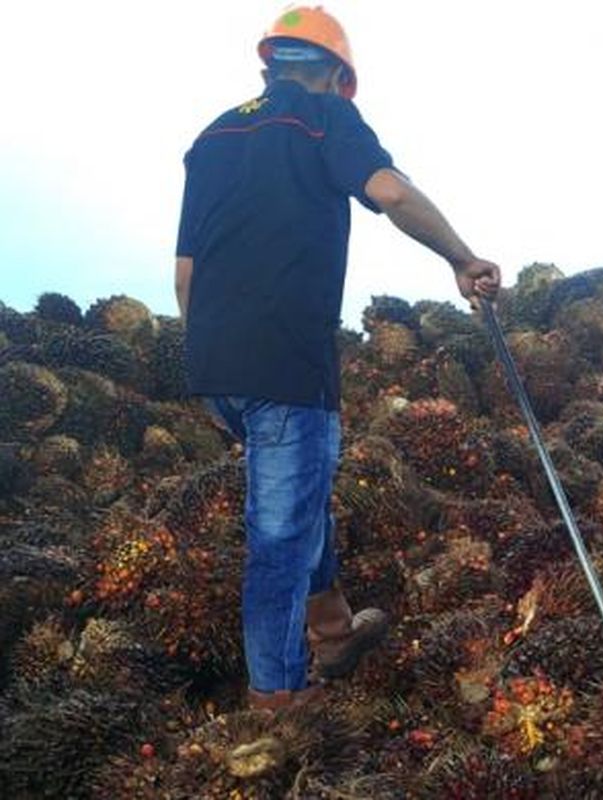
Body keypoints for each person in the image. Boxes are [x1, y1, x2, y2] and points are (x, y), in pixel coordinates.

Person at [173, 6, 501, 709]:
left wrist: (207, 368)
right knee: (279, 538)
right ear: (333, 73)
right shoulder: (324, 117)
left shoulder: (214, 136)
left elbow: (185, 273)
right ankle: (277, 703)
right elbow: (390, 191)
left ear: (272, 60)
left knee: (300, 492)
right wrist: (461, 256)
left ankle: (333, 628)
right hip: (286, 365)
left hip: (218, 363)